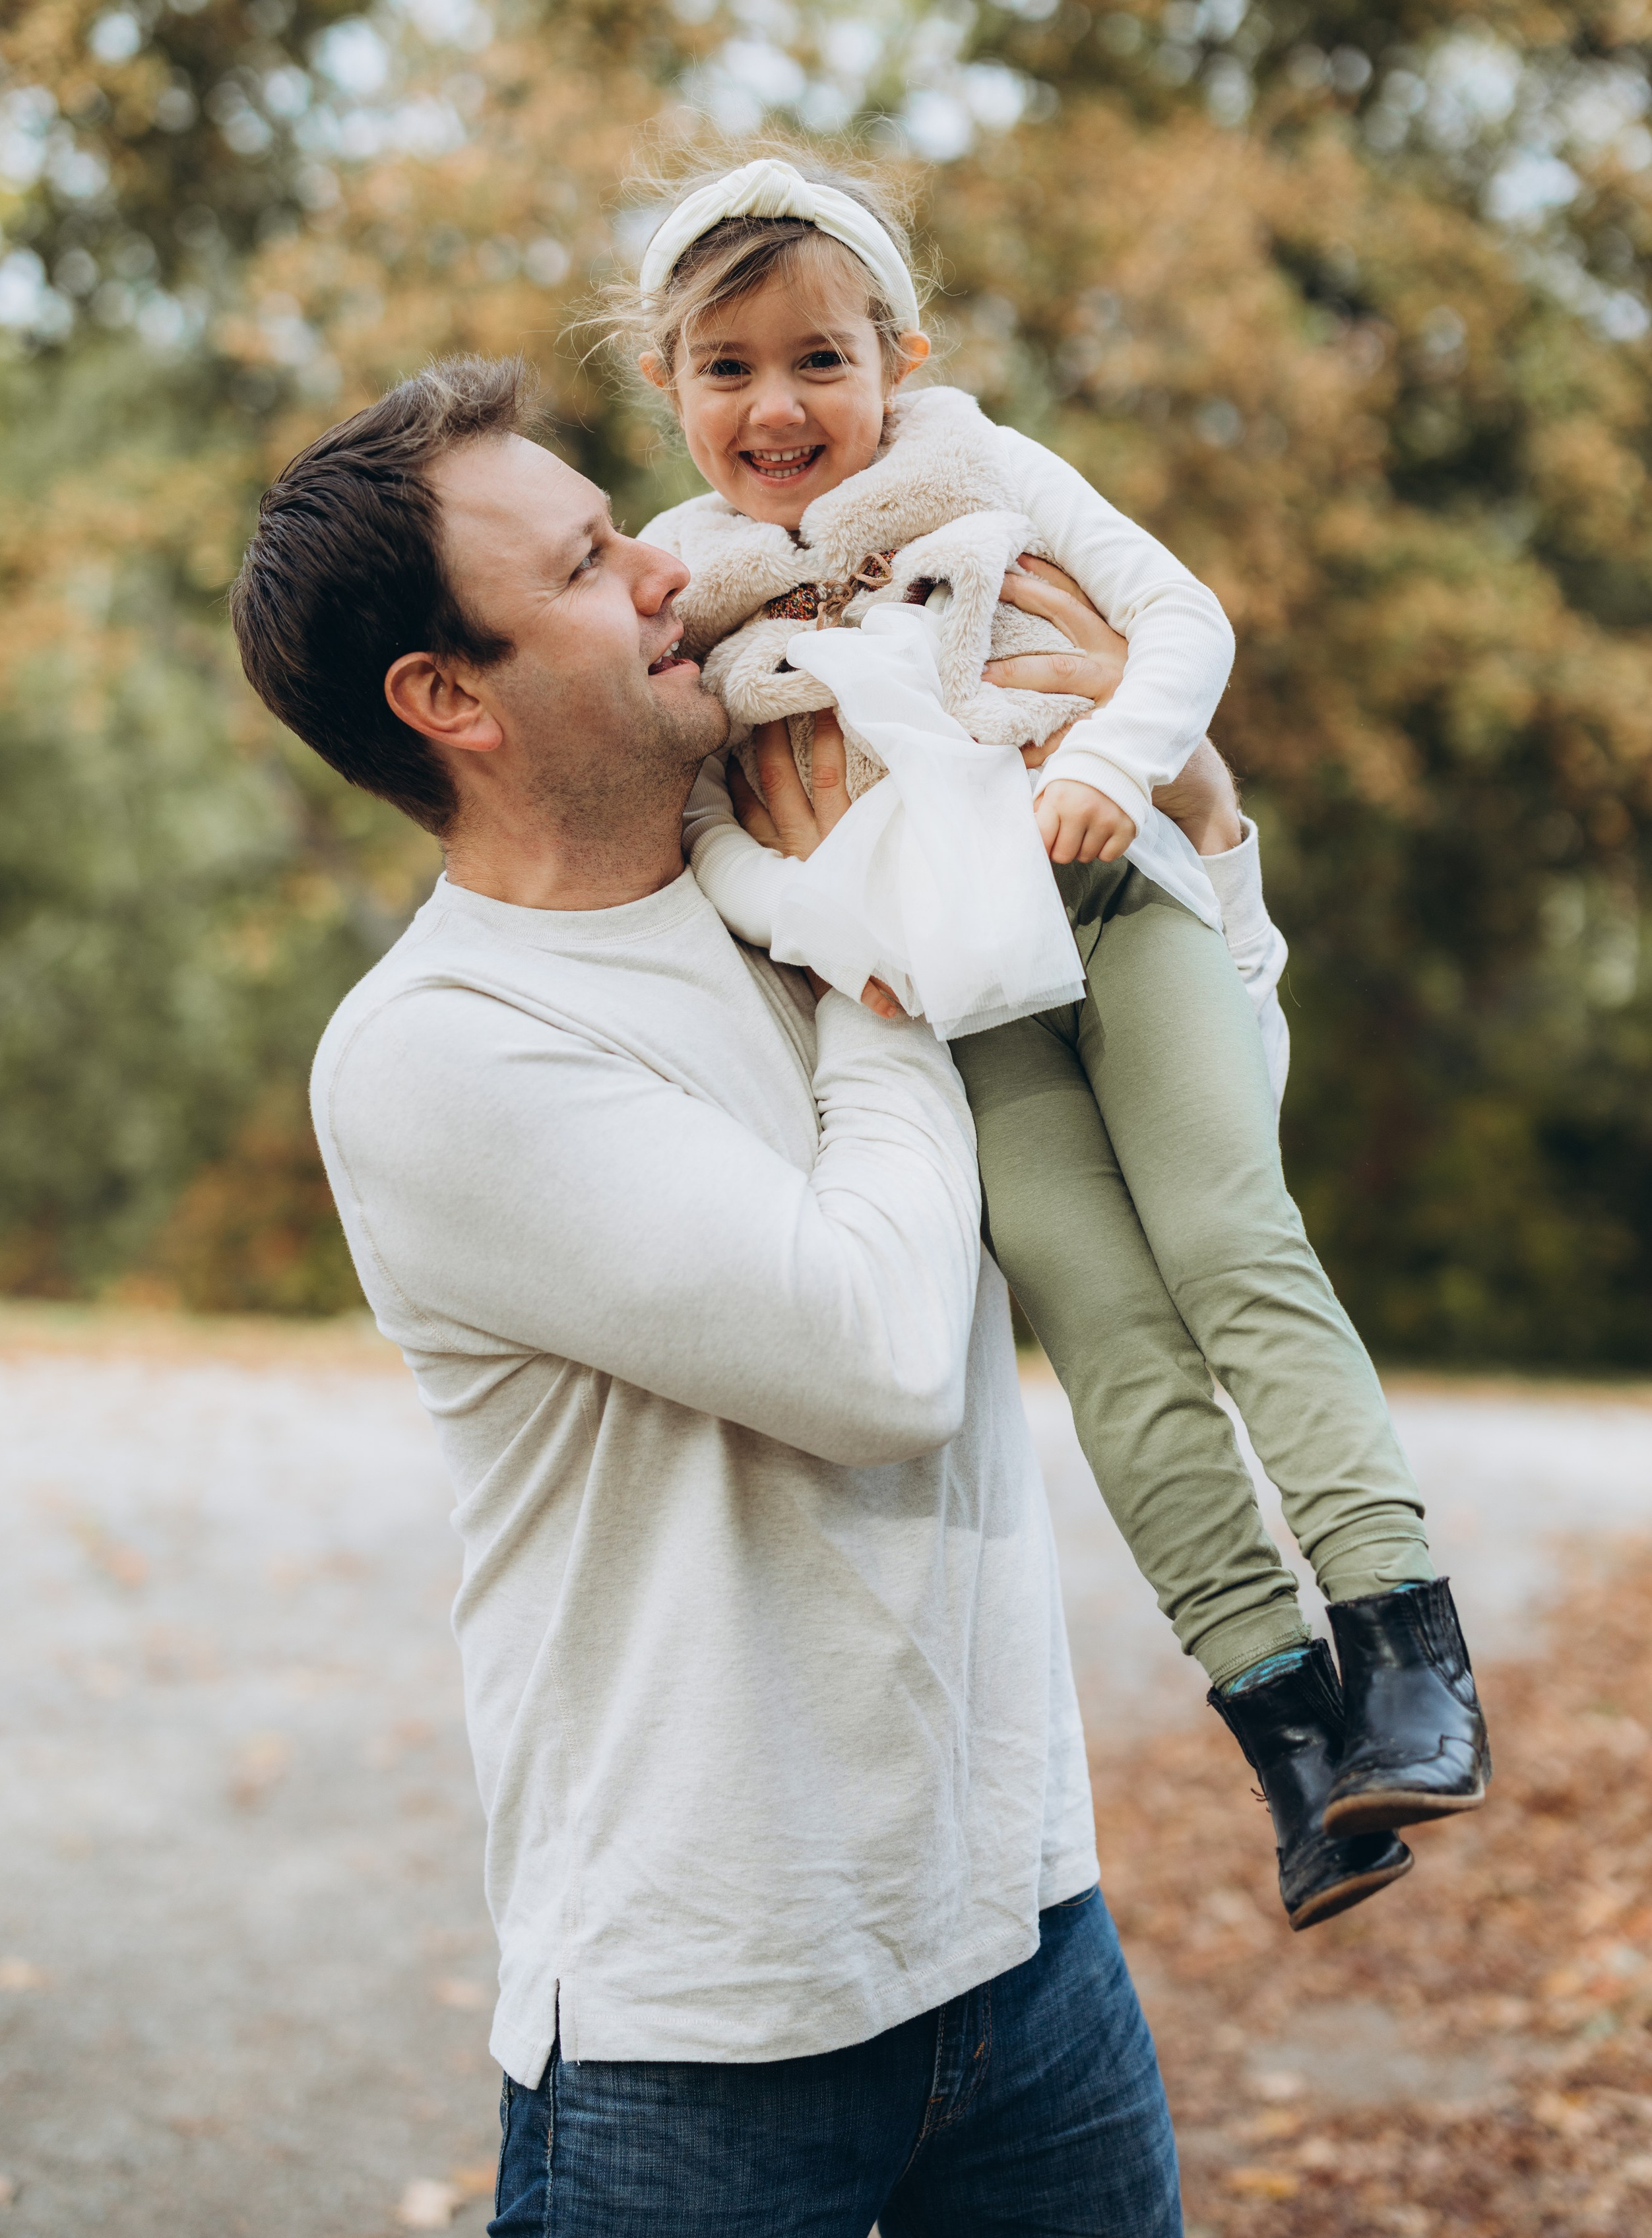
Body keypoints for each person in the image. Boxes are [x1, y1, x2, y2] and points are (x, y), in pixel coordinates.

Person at [229, 356, 1184, 2236]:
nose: (672, 568)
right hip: (705, 2037)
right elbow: (883, 1356)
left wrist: (1196, 815)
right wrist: (878, 942)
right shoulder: (442, 1050)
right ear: (449, 698)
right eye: (588, 565)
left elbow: (1185, 1177)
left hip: (1027, 1934)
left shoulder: (795, 848)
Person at [610, 146, 1490, 1933]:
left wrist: (1109, 760)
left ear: (902, 356)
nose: (778, 405)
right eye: (728, 367)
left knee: (1229, 1245)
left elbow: (1182, 619)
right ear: (668, 384)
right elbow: (706, 825)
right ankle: (1293, 1743)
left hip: (1112, 911)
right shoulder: (685, 590)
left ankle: (1410, 1656)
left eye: (823, 358)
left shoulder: (988, 471)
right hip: (958, 992)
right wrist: (820, 927)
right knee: (1106, 1333)